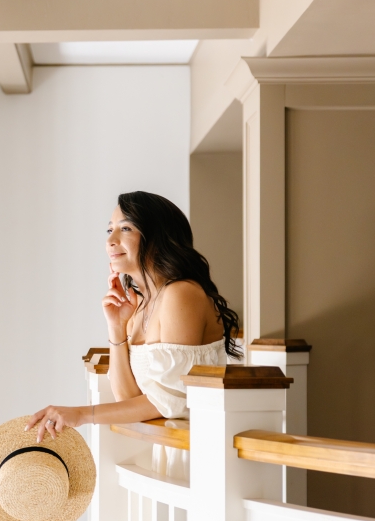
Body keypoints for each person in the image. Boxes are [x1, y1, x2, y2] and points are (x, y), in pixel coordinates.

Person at [26, 191, 242, 478]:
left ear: (158, 236)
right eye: (110, 229)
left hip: (202, 454)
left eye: (125, 228)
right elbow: (127, 397)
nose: (110, 240)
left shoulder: (181, 294)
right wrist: (116, 327)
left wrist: (80, 415)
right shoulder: (139, 305)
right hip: (169, 449)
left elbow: (166, 403)